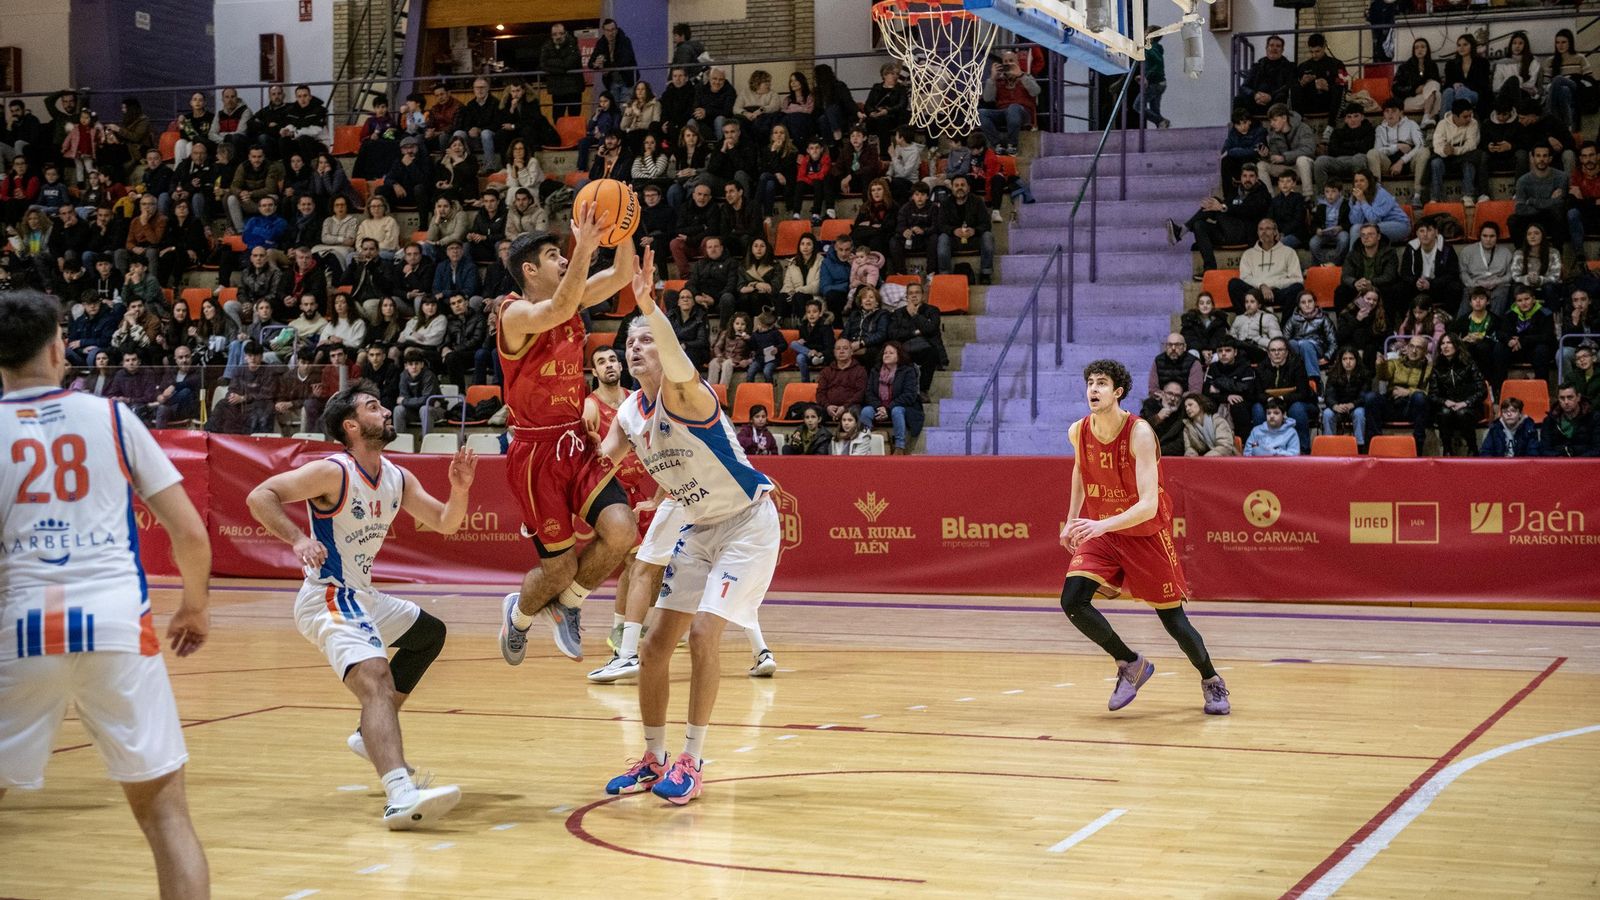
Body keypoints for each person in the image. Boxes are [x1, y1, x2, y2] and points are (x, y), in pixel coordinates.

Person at [0, 289, 212, 898]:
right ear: (57, 347)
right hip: (118, 628)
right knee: (167, 816)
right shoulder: (113, 417)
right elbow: (189, 532)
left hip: (21, 628)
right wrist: (194, 607)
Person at [599, 248, 783, 804]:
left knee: (705, 634)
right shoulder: (630, 412)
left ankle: (693, 757)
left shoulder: (689, 394)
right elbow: (597, 461)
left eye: (646, 340)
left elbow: (675, 355)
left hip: (748, 522)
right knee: (654, 645)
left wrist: (651, 308)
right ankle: (653, 759)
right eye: (629, 341)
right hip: (700, 528)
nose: (636, 348)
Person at [247, 382, 474, 829]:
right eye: (374, 406)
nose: (386, 409)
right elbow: (260, 496)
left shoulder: (396, 476)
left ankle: (366, 734)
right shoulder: (333, 471)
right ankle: (400, 794)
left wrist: (460, 488)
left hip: (363, 596)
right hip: (329, 595)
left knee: (429, 635)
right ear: (351, 426)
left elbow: (447, 522)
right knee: (374, 677)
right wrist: (297, 539)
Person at [495, 217, 638, 666]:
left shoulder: (569, 300)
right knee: (559, 566)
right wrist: (583, 246)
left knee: (621, 531)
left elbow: (620, 275)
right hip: (535, 454)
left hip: (575, 441)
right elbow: (555, 310)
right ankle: (518, 617)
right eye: (553, 256)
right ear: (530, 271)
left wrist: (624, 222)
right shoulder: (514, 314)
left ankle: (570, 603)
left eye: (564, 254)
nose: (563, 260)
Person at [1059, 358, 1228, 714]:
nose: (1093, 388)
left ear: (1118, 392)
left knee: (1174, 622)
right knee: (1072, 600)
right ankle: (1129, 662)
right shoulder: (1079, 431)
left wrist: (1099, 524)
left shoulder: (1139, 433)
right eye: (1090, 382)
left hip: (1144, 532)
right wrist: (1072, 519)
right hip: (1103, 531)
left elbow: (1149, 505)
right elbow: (1079, 468)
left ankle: (1211, 680)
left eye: (1102, 383)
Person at [1168, 166, 1269, 273]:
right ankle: (1210, 268)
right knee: (1199, 225)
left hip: (1244, 234)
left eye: (1251, 176)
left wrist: (1222, 207)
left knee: (1216, 202)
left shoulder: (1262, 194)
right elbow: (1227, 205)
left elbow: (1248, 209)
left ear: (1257, 178)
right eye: (1245, 176)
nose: (1247, 179)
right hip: (1226, 231)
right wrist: (1217, 208)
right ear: (1241, 177)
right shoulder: (1236, 191)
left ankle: (1181, 231)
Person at [1228, 218, 1302, 310]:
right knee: (1234, 284)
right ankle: (1246, 320)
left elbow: (1298, 279)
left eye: (1268, 228)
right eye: (1261, 229)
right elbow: (1245, 277)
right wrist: (1261, 285)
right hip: (1255, 293)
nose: (1264, 232)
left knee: (1297, 288)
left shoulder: (1289, 252)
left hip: (1278, 292)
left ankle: (1285, 323)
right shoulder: (1248, 254)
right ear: (1258, 233)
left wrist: (1272, 285)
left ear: (1275, 232)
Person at [979, 49, 1039, 155]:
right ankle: (997, 145)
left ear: (1017, 62)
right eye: (1005, 61)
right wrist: (992, 78)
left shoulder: (1026, 76)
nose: (1008, 64)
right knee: (981, 113)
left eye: (1011, 60)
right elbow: (988, 98)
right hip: (1003, 113)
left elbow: (1036, 91)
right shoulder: (998, 79)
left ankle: (1012, 145)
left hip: (1022, 113)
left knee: (1013, 107)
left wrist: (1020, 75)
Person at [1430, 100, 1485, 206]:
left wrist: (1455, 150)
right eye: (1465, 117)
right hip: (1445, 157)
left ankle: (1468, 195)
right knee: (1435, 163)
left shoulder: (1473, 123)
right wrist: (1445, 151)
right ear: (1455, 116)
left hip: (1463, 155)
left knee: (1470, 161)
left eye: (1470, 115)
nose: (1469, 119)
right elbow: (1437, 145)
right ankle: (1436, 197)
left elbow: (1471, 144)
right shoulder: (1442, 124)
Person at [1321, 347, 1376, 451]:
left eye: (1351, 358)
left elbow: (1364, 396)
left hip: (1356, 406)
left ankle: (1360, 447)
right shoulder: (1333, 374)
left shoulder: (1365, 374)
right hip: (1338, 407)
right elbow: (1328, 395)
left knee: (1360, 413)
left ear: (1356, 360)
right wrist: (1335, 406)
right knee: (1327, 413)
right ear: (1340, 361)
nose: (1348, 362)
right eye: (1345, 359)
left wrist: (1353, 404)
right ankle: (1329, 446)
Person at [1458, 222, 1514, 315]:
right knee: (1469, 293)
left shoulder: (1506, 253)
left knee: (1503, 291)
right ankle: (1460, 326)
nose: (1488, 239)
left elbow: (1510, 274)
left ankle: (1493, 325)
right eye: (1485, 236)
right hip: (1475, 284)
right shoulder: (1467, 251)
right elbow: (1463, 272)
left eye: (1492, 236)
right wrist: (1473, 284)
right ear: (1480, 236)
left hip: (1497, 285)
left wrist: (1497, 281)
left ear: (1497, 237)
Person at [1234, 35, 1294, 117]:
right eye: (1271, 45)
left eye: (1278, 46)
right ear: (1266, 48)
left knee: (1281, 97)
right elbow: (1244, 87)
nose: (1274, 48)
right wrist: (1255, 95)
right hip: (1256, 100)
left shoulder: (1289, 66)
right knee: (1238, 99)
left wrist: (1270, 97)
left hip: (1275, 100)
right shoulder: (1257, 66)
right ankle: (1239, 128)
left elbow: (1288, 85)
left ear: (1282, 50)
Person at [1540, 385, 1598, 457]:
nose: (1566, 402)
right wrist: (1561, 460)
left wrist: (1577, 462)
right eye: (1562, 398)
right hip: (1558, 464)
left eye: (1570, 397)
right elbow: (1544, 449)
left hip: (1586, 464)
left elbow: (1597, 449)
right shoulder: (1549, 421)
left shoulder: (1594, 418)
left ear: (1578, 397)